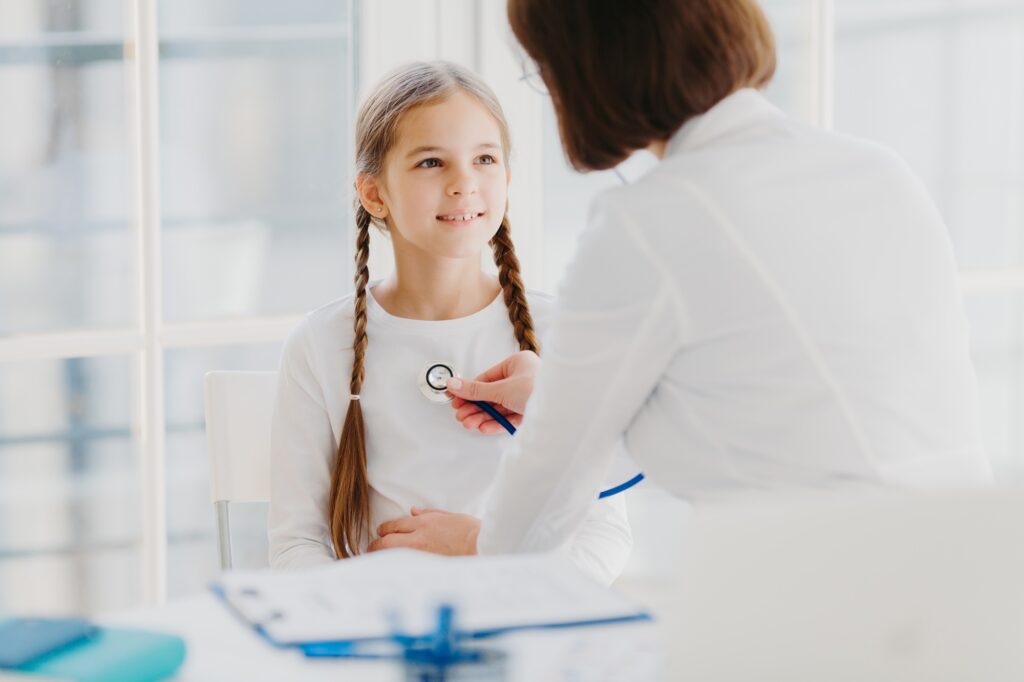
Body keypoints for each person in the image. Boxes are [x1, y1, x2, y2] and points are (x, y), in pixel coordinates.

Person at [379, 0, 991, 557]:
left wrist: (476, 542)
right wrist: (561, 394)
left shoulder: (646, 224)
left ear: (591, 69)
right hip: (971, 574)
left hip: (830, 600)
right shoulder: (878, 172)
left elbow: (539, 506)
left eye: (545, 72)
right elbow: (790, 412)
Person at [266, 61, 632, 585]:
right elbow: (296, 544)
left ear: (505, 179)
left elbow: (603, 534)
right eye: (432, 162)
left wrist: (484, 554)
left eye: (484, 158)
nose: (465, 183)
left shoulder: (564, 335)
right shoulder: (321, 346)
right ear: (374, 194)